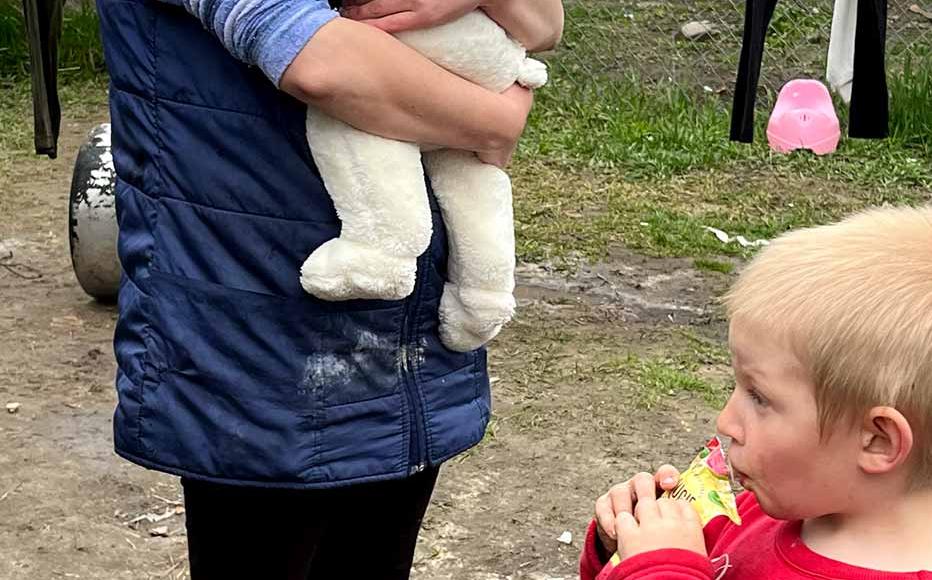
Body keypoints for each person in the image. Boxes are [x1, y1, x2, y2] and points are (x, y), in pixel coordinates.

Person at [96, 0, 563, 577]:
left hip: (406, 339)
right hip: (261, 338)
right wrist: (498, 116)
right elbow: (320, 63)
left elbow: (546, 23)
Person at [581, 205, 932, 579]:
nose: (726, 421)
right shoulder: (769, 507)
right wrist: (627, 546)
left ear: (876, 440)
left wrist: (661, 568)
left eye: (759, 397)